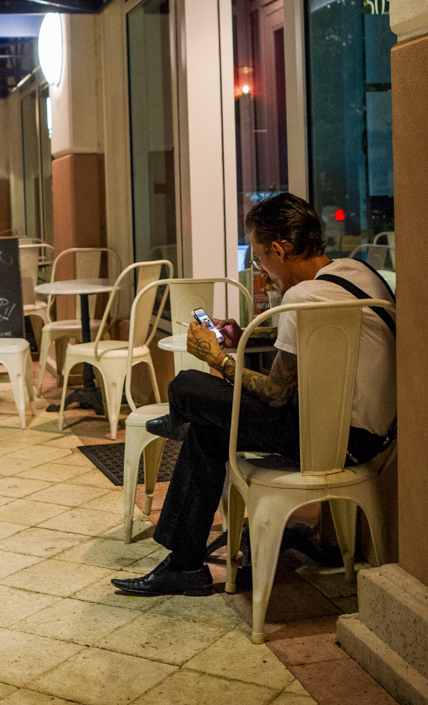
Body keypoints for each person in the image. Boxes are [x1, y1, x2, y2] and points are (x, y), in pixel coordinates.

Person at [111, 192, 396, 597]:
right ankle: (184, 563)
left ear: (279, 250)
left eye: (260, 259)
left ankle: (184, 556)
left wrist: (219, 359)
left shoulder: (303, 297)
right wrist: (246, 336)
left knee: (188, 386)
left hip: (332, 439)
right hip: (367, 432)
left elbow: (278, 393)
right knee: (209, 430)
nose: (260, 271)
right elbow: (316, 353)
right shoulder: (357, 273)